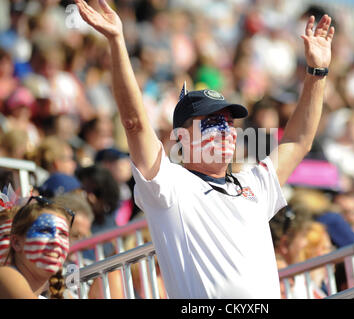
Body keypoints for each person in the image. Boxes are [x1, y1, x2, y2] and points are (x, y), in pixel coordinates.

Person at [75, 0, 334, 298]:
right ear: (181, 138)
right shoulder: (169, 186)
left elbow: (298, 141)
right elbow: (134, 123)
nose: (225, 129)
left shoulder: (253, 184)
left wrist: (317, 72)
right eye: (211, 122)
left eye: (228, 122)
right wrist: (117, 41)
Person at [0, 196, 75, 299]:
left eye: (62, 234)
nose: (56, 241)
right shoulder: (5, 275)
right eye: (44, 231)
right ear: (16, 243)